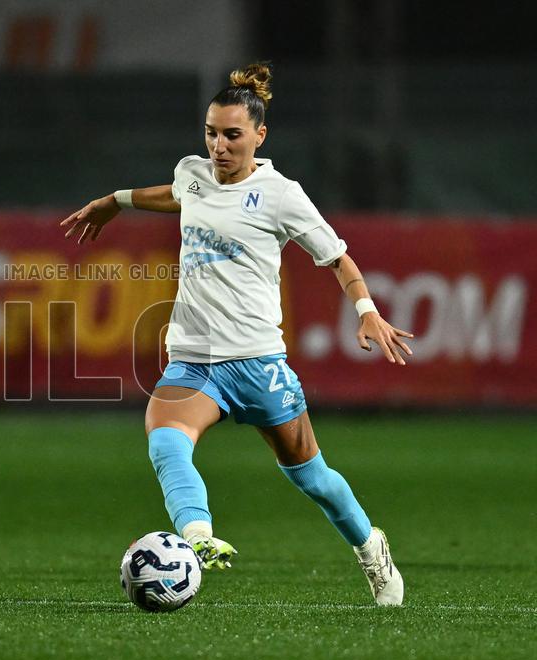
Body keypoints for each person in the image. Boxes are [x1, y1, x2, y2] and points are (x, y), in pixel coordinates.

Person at [60, 63, 411, 606]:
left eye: (231, 135)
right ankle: (198, 536)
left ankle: (371, 547)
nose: (218, 146)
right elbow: (179, 194)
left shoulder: (281, 195)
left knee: (312, 477)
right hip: (193, 358)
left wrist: (367, 310)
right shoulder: (194, 172)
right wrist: (117, 200)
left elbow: (338, 259)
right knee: (166, 441)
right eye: (210, 133)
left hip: (257, 361)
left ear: (259, 136)